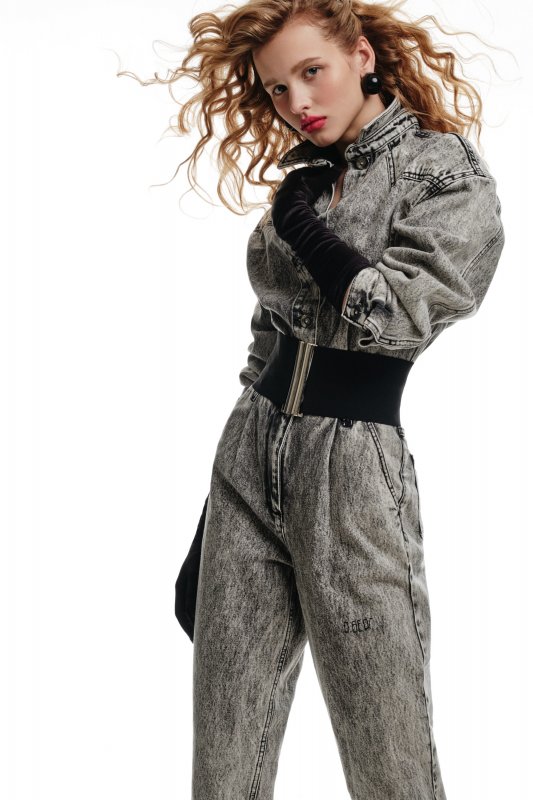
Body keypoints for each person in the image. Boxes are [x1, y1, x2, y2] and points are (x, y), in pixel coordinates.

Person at [136, 1, 505, 797]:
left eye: (313, 72)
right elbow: (267, 343)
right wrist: (214, 518)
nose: (297, 102)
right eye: (277, 88)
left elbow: (400, 318)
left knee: (387, 760)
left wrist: (300, 225)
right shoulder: (309, 181)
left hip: (351, 473)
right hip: (246, 455)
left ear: (361, 56)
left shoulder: (440, 172)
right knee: (224, 764)